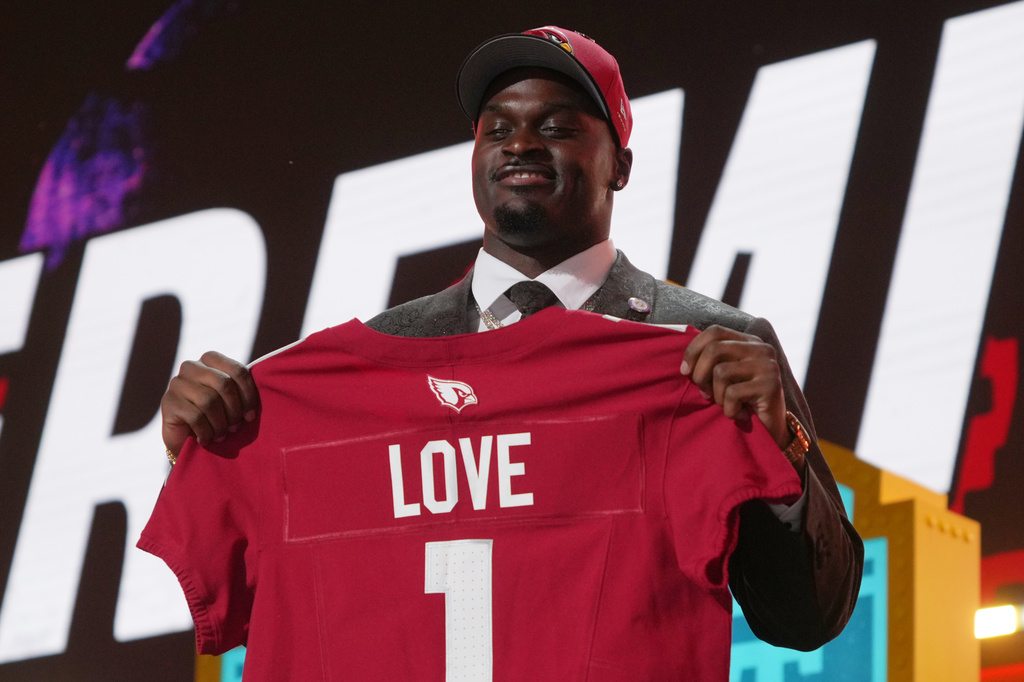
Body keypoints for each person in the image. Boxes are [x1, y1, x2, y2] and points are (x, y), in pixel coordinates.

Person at [156, 25, 862, 655]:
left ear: (620, 165)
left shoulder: (707, 348)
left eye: (556, 127)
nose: (521, 144)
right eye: (497, 129)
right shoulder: (370, 359)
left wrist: (782, 449)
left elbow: (808, 619)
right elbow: (243, 600)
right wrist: (205, 449)